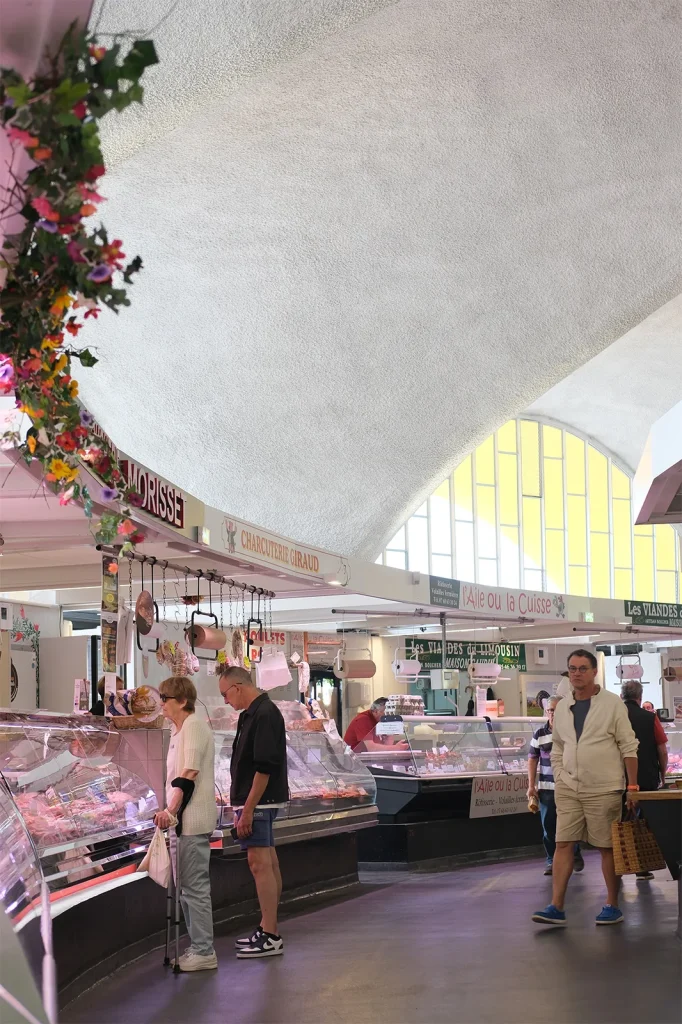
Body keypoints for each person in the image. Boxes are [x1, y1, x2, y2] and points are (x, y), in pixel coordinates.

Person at [532, 649, 639, 927]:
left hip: (604, 787)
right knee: (563, 842)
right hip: (568, 787)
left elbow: (628, 745)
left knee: (606, 846)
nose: (577, 673)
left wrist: (633, 785)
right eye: (572, 669)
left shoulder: (612, 704)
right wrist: (559, 773)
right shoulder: (564, 706)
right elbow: (558, 745)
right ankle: (556, 906)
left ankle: (612, 904)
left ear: (593, 672)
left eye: (582, 668)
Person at [218, 665, 288, 959]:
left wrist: (247, 810)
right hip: (255, 801)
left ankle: (271, 934)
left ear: (238, 686)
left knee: (260, 864)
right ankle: (266, 926)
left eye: (225, 694)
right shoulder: (251, 714)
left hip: (259, 801)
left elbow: (264, 766)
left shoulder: (265, 713)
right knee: (266, 862)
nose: (225, 701)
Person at [154, 676, 217, 971]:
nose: (161, 703)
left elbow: (188, 774)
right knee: (188, 888)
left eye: (165, 698)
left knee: (194, 888)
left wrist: (171, 810)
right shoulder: (178, 729)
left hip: (190, 820)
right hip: (182, 821)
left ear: (182, 701)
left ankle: (204, 950)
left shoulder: (193, 726)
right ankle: (198, 946)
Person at [527, 696, 584, 876]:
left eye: (556, 710)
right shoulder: (539, 734)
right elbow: (532, 759)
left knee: (571, 825)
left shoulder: (573, 732)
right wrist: (531, 785)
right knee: (548, 827)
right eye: (550, 710)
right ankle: (551, 860)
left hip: (569, 787)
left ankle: (574, 852)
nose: (552, 713)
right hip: (546, 789)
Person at [620, 680, 669, 881]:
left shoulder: (614, 716)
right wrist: (663, 774)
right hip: (646, 777)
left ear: (622, 697)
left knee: (619, 820)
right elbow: (662, 749)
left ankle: (619, 863)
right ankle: (642, 866)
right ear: (640, 698)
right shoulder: (650, 718)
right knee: (643, 822)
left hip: (617, 778)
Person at [344, 697, 408, 752]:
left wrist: (389, 733)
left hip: (369, 759)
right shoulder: (363, 720)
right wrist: (396, 748)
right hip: (354, 760)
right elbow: (371, 748)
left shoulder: (380, 721)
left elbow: (386, 746)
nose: (388, 715)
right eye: (386, 712)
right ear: (375, 711)